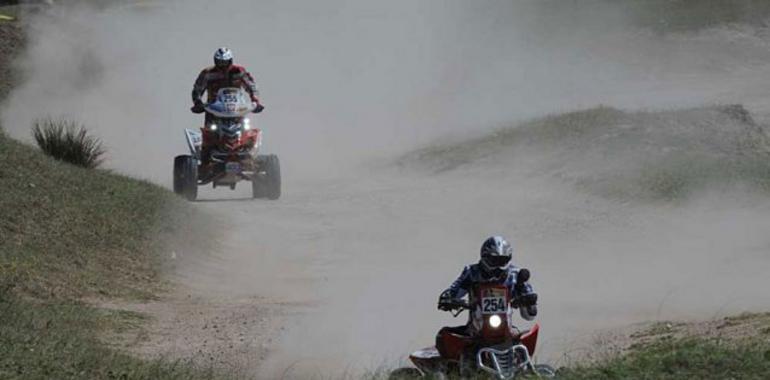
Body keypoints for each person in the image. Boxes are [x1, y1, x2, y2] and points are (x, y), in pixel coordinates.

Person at [435, 236, 538, 356]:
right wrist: (449, 299)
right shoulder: (472, 272)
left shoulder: (517, 274)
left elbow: (530, 315)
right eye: (494, 261)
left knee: (522, 342)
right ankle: (447, 370)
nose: (498, 266)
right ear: (484, 257)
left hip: (506, 328)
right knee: (444, 337)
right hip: (475, 328)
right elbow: (454, 291)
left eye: (502, 261)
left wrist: (528, 301)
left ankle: (526, 367)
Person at [190, 47, 264, 167]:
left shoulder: (239, 71)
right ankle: (205, 164)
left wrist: (255, 101)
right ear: (215, 61)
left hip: (238, 109)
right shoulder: (208, 73)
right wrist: (197, 103)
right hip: (215, 109)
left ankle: (249, 158)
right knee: (208, 134)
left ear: (231, 60)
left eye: (225, 62)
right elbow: (197, 89)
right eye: (220, 62)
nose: (223, 66)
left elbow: (251, 86)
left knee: (247, 131)